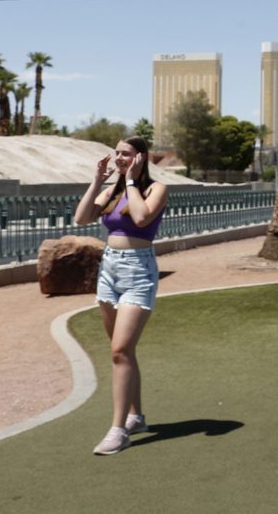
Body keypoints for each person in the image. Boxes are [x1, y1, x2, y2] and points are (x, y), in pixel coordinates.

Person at [72, 135, 168, 456]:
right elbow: (82, 218)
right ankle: (136, 417)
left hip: (138, 271)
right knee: (122, 352)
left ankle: (118, 431)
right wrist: (98, 180)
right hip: (109, 270)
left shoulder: (155, 189)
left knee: (120, 350)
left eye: (125, 154)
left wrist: (129, 181)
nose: (119, 158)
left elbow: (141, 217)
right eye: (117, 154)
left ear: (141, 157)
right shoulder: (111, 190)